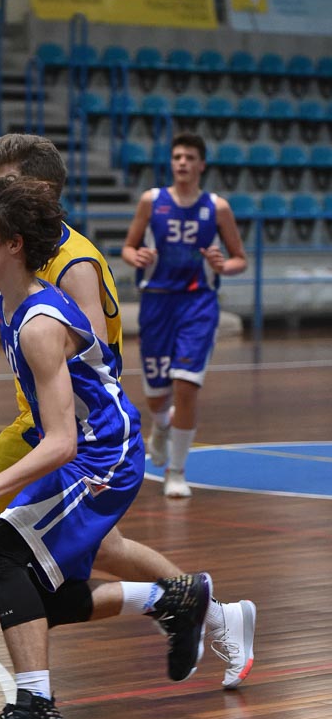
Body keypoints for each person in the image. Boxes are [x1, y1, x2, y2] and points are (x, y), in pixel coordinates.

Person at [0, 134, 255, 696]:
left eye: (2, 183)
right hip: (42, 422)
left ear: (39, 189)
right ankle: (217, 615)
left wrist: (16, 328)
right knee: (102, 547)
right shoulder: (21, 248)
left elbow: (86, 347)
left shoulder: (74, 260)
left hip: (74, 432)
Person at [0, 177, 212, 719]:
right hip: (93, 446)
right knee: (37, 595)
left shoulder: (38, 324)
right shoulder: (15, 304)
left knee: (1, 552)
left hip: (104, 454)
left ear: (14, 245)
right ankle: (170, 599)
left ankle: (37, 714)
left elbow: (62, 444)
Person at [121, 131, 248, 499]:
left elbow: (240, 259)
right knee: (157, 396)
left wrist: (224, 266)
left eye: (190, 157)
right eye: (177, 156)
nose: (182, 162)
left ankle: (176, 471)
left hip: (198, 303)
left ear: (201, 165)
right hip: (157, 302)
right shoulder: (152, 201)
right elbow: (128, 247)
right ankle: (161, 424)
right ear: (171, 162)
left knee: (187, 386)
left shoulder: (217, 207)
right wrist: (136, 256)